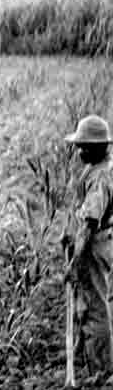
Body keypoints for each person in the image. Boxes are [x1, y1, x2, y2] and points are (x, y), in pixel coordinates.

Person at [63, 115, 113, 372]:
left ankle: (103, 368)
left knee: (96, 307)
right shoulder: (95, 169)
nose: (79, 150)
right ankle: (87, 356)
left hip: (94, 244)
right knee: (87, 301)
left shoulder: (101, 177)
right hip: (92, 242)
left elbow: (89, 224)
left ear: (100, 147)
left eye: (84, 146)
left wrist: (74, 261)